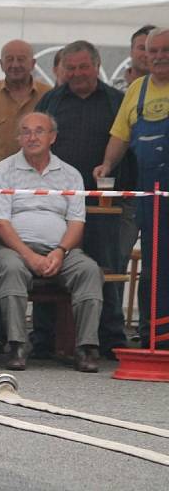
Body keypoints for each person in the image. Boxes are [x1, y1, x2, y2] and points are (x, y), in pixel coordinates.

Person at [0, 112, 103, 373]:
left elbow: (76, 223)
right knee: (11, 268)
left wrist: (60, 252)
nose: (32, 137)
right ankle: (18, 344)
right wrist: (30, 256)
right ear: (18, 137)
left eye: (39, 131)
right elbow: (0, 223)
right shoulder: (2, 171)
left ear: (53, 137)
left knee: (89, 271)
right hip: (15, 248)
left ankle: (86, 348)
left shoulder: (70, 174)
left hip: (61, 249)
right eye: (26, 131)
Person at [35, 40, 128, 358]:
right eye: (70, 68)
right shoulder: (51, 100)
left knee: (107, 268)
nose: (76, 74)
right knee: (51, 267)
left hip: (102, 205)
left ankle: (111, 338)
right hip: (57, 205)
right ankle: (44, 340)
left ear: (97, 64)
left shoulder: (116, 101)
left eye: (83, 67)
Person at [95, 27, 169, 349]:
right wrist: (107, 165)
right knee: (153, 264)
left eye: (165, 50)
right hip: (148, 191)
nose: (159, 56)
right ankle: (153, 335)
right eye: (153, 51)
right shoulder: (137, 89)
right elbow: (120, 136)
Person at [0, 40, 51, 169]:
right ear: (1, 64)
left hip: (38, 173)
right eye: (9, 59)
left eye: (21, 59)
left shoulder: (49, 95)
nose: (15, 64)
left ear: (33, 64)